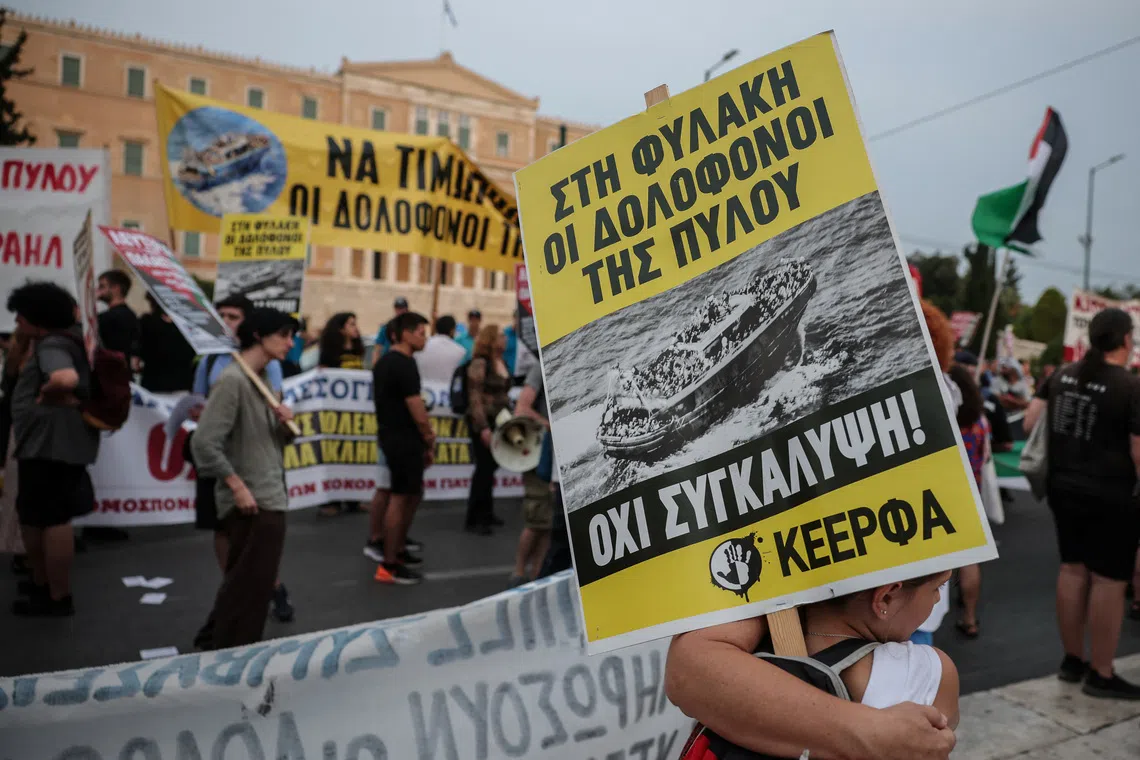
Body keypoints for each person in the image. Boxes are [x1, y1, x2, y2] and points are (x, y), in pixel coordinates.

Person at [667, 583, 959, 760]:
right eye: (937, 587)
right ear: (885, 597)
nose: (936, 600)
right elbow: (687, 670)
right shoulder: (928, 670)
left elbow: (688, 667)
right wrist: (873, 734)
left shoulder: (746, 633)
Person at [1024, 307, 1140, 699]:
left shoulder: (1060, 376)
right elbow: (1139, 452)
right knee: (1109, 579)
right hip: (1112, 495)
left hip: (1062, 488)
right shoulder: (1130, 386)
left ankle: (1072, 661)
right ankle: (1101, 674)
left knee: (1072, 570)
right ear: (1126, 340)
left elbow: (1028, 424)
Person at [191, 308, 297, 648]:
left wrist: (285, 425)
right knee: (253, 589)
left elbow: (270, 442)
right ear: (258, 336)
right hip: (253, 501)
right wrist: (235, 485)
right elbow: (203, 443)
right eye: (283, 334)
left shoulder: (263, 382)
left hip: (270, 491)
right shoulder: (233, 381)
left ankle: (213, 641)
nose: (290, 343)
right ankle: (234, 655)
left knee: (244, 583)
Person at [7, 282, 100, 617]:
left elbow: (65, 378)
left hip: (50, 445)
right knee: (39, 515)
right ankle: (44, 584)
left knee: (51, 517)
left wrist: (44, 395)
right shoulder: (70, 337)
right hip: (54, 443)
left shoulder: (53, 344)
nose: (16, 322)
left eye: (21, 316)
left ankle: (56, 595)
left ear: (37, 318)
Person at [371, 311, 433, 585]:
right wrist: (429, 436)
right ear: (405, 333)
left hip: (392, 436)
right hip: (403, 439)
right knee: (400, 497)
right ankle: (389, 564)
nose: (425, 338)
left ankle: (396, 551)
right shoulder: (404, 364)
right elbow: (417, 409)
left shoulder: (384, 362)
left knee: (410, 494)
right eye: (420, 332)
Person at [947, 363, 989, 640]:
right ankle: (970, 618)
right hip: (971, 494)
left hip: (944, 493)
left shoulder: (944, 418)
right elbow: (985, 458)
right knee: (970, 561)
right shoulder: (980, 423)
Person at [464, 325, 510, 535]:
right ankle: (475, 517)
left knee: (491, 467)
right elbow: (474, 398)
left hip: (499, 421)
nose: (505, 339)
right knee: (483, 467)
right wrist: (482, 427)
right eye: (501, 335)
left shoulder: (500, 362)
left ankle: (487, 511)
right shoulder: (480, 363)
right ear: (491, 339)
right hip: (483, 422)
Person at [511, 360, 553, 585]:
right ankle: (518, 574)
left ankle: (536, 575)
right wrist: (549, 425)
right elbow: (522, 409)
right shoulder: (540, 367)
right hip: (538, 455)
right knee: (536, 520)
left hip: (548, 457)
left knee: (546, 523)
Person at [138, 293, 196, 393]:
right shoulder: (189, 324)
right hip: (181, 384)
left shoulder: (147, 322)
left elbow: (140, 353)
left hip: (154, 383)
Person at [96, 269, 139, 367]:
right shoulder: (130, 314)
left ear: (116, 288)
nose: (98, 290)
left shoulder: (109, 317)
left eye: (102, 286)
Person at [415, 315, 467, 385]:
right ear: (452, 330)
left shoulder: (421, 346)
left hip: (422, 388)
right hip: (446, 392)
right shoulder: (461, 351)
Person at [372, 297, 409, 364]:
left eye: (402, 308)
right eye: (398, 308)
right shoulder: (386, 327)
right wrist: (375, 365)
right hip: (387, 362)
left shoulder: (410, 329)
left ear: (407, 309)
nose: (400, 311)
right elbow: (377, 348)